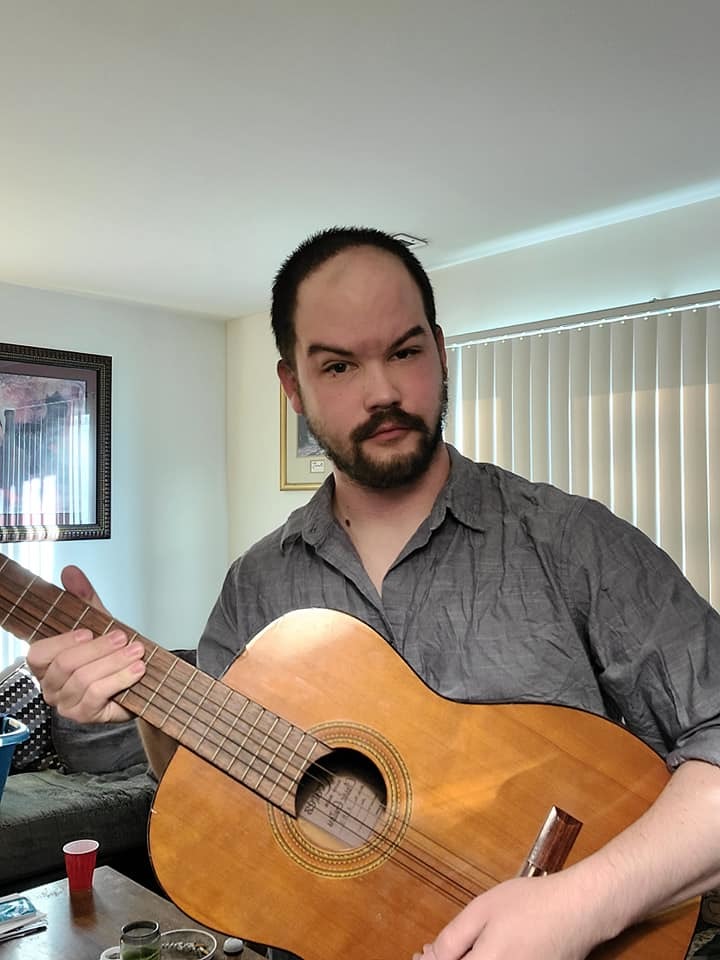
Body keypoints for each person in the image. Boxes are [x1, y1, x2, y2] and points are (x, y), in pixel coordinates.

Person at [27, 227, 720, 960]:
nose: (383, 391)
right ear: (293, 388)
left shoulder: (573, 542)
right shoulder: (256, 586)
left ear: (440, 352)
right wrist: (139, 692)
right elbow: (214, 797)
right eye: (338, 365)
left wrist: (580, 905)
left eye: (405, 352)